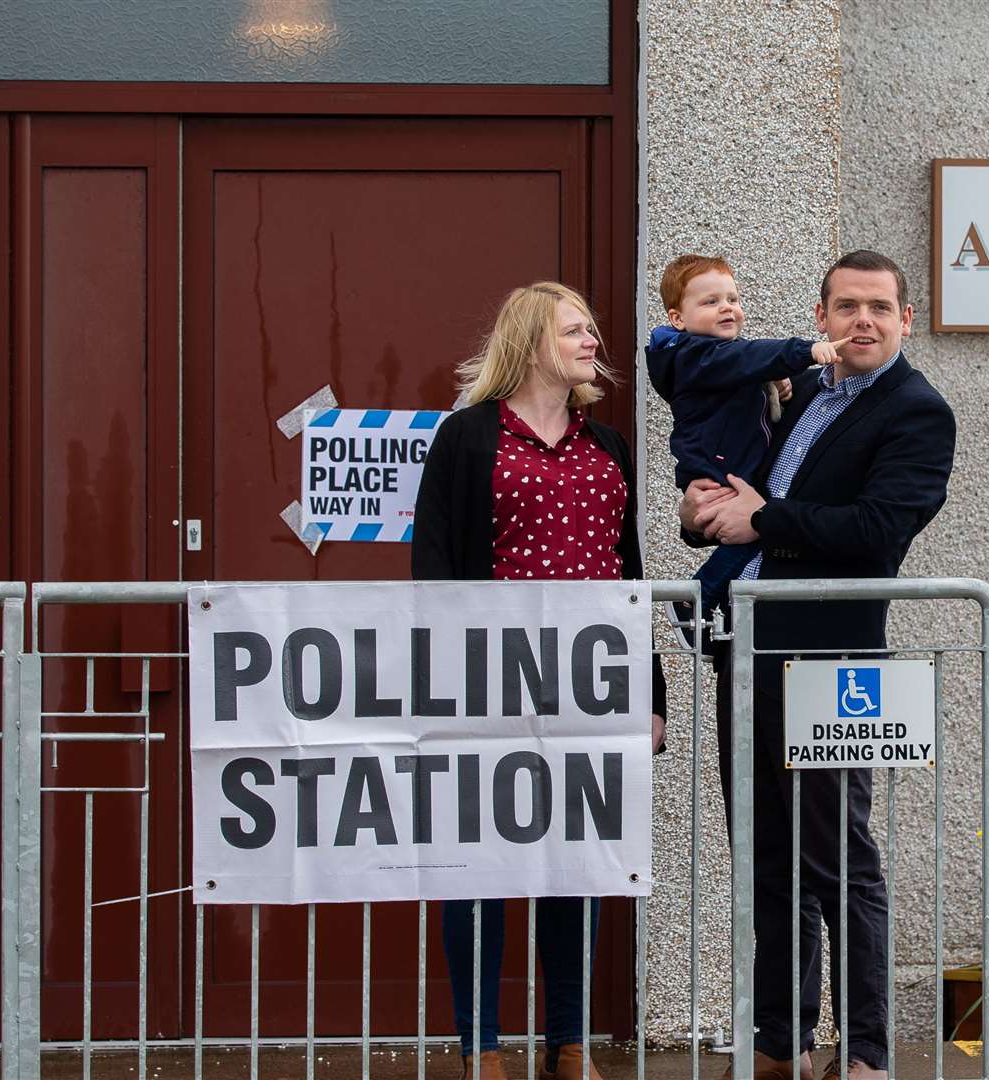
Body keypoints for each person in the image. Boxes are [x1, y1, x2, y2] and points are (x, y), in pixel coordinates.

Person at [680, 251, 955, 1080]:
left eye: (878, 307)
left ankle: (865, 1052)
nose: (861, 321)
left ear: (907, 319)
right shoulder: (797, 394)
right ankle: (780, 1041)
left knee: (841, 861)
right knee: (764, 856)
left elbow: (878, 530)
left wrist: (762, 520)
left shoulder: (918, 411)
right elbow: (740, 502)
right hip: (748, 650)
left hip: (832, 665)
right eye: (846, 307)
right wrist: (704, 515)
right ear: (822, 316)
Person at [412, 281, 666, 1080]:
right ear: (530, 341)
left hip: (589, 688)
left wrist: (650, 691)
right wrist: (442, 677)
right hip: (489, 682)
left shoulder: (610, 446)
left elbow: (630, 575)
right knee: (481, 865)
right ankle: (481, 1048)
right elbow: (434, 565)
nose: (594, 341)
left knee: (576, 867)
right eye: (575, 329)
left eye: (592, 329)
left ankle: (567, 1043)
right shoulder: (467, 438)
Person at [646, 254, 848, 637]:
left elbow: (739, 376)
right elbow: (745, 358)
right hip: (718, 466)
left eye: (733, 299)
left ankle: (704, 604)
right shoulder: (690, 354)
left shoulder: (714, 358)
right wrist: (805, 352)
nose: (727, 308)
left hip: (731, 464)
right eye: (710, 302)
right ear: (678, 319)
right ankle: (697, 599)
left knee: (752, 535)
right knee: (750, 537)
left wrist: (773, 384)